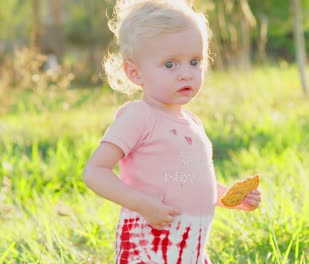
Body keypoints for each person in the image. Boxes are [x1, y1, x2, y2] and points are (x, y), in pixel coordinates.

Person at [82, 0, 262, 263]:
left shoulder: (193, 123)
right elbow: (94, 172)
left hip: (192, 246)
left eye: (195, 61)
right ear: (135, 73)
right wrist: (143, 204)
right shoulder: (139, 116)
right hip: (149, 240)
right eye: (170, 64)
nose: (186, 74)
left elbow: (190, 182)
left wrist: (230, 197)